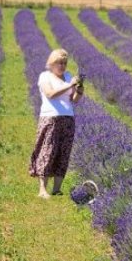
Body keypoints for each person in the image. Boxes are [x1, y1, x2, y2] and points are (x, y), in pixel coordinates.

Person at [30, 48, 83, 198]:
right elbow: (50, 94)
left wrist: (79, 89)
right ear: (52, 63)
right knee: (47, 152)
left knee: (63, 153)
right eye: (59, 63)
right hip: (50, 118)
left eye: (64, 63)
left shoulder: (68, 76)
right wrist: (69, 85)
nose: (62, 66)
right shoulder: (45, 76)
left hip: (68, 118)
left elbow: (74, 100)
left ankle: (57, 189)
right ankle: (42, 190)